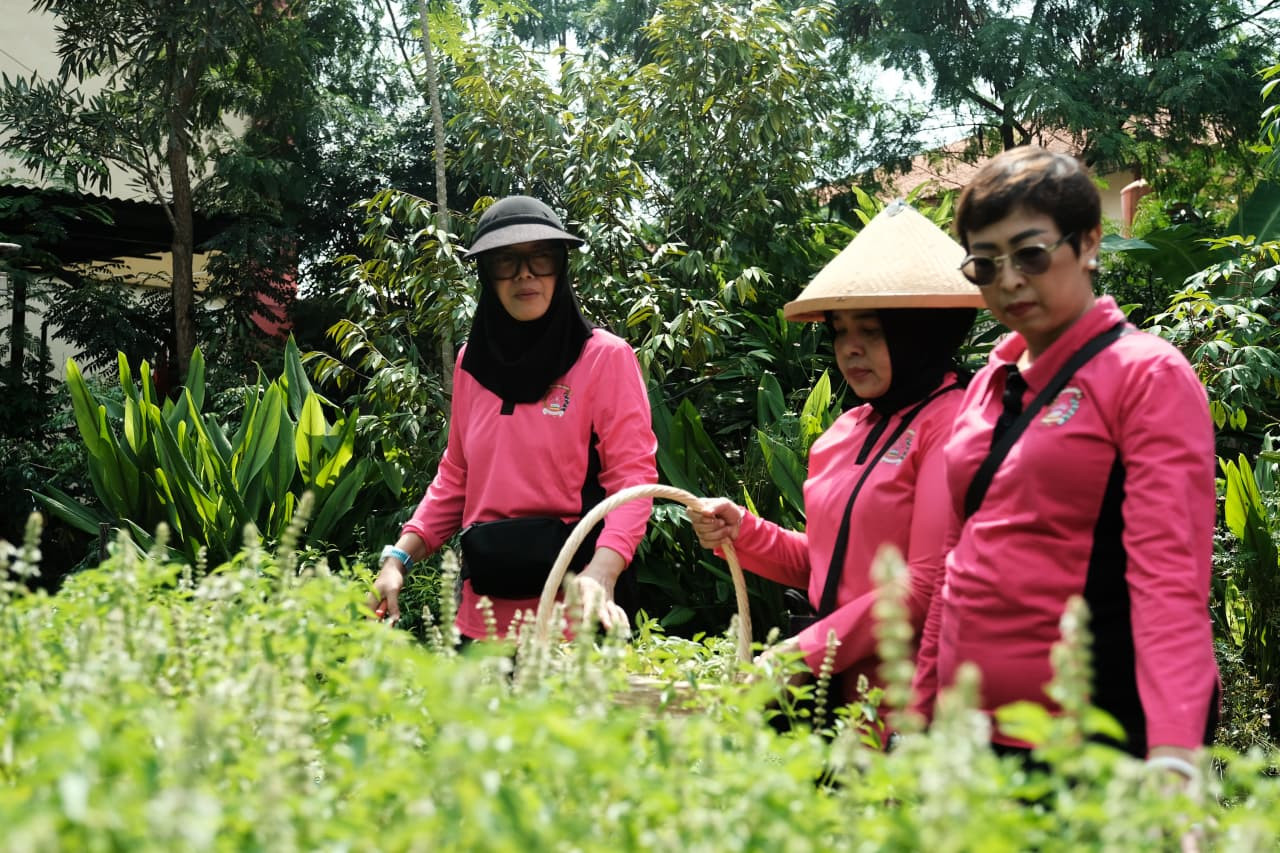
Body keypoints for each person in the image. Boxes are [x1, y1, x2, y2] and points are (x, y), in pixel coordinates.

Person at [911, 146, 1219, 777]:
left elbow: (1170, 581)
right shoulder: (985, 385)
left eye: (1031, 253)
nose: (1010, 280)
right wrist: (919, 719)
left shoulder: (1145, 375)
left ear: (1087, 244)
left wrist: (1174, 758)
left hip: (1091, 739)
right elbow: (954, 567)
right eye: (985, 263)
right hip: (974, 740)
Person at [687, 201, 980, 714]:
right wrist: (743, 532)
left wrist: (792, 659)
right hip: (831, 696)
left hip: (908, 703)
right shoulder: (847, 430)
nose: (850, 348)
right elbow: (827, 565)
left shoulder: (953, 421)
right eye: (841, 330)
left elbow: (925, 586)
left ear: (919, 332)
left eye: (870, 330)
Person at [368, 195, 658, 641]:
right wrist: (397, 560)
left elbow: (632, 482)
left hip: (576, 614)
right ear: (488, 274)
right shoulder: (472, 364)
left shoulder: (603, 358)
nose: (525, 274)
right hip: (481, 620)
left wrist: (604, 570)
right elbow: (457, 476)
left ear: (560, 268)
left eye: (540, 257)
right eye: (506, 261)